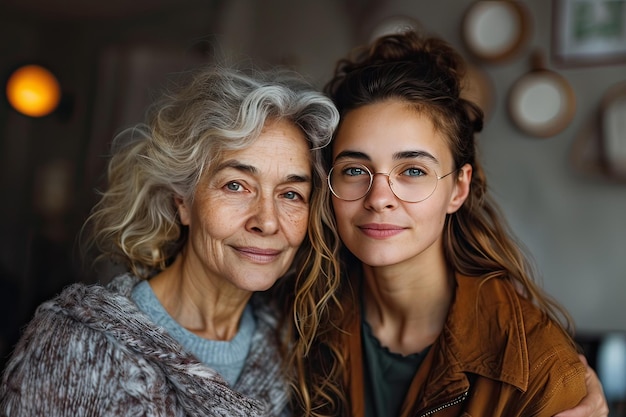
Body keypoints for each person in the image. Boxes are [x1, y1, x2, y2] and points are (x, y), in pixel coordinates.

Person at [290, 30, 609, 417]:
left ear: (458, 189)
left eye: (412, 170)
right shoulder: (300, 319)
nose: (378, 198)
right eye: (355, 169)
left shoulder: (541, 370)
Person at [0, 63, 342, 416]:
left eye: (290, 194)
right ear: (183, 202)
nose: (267, 221)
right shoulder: (75, 346)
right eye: (236, 186)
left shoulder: (295, 356)